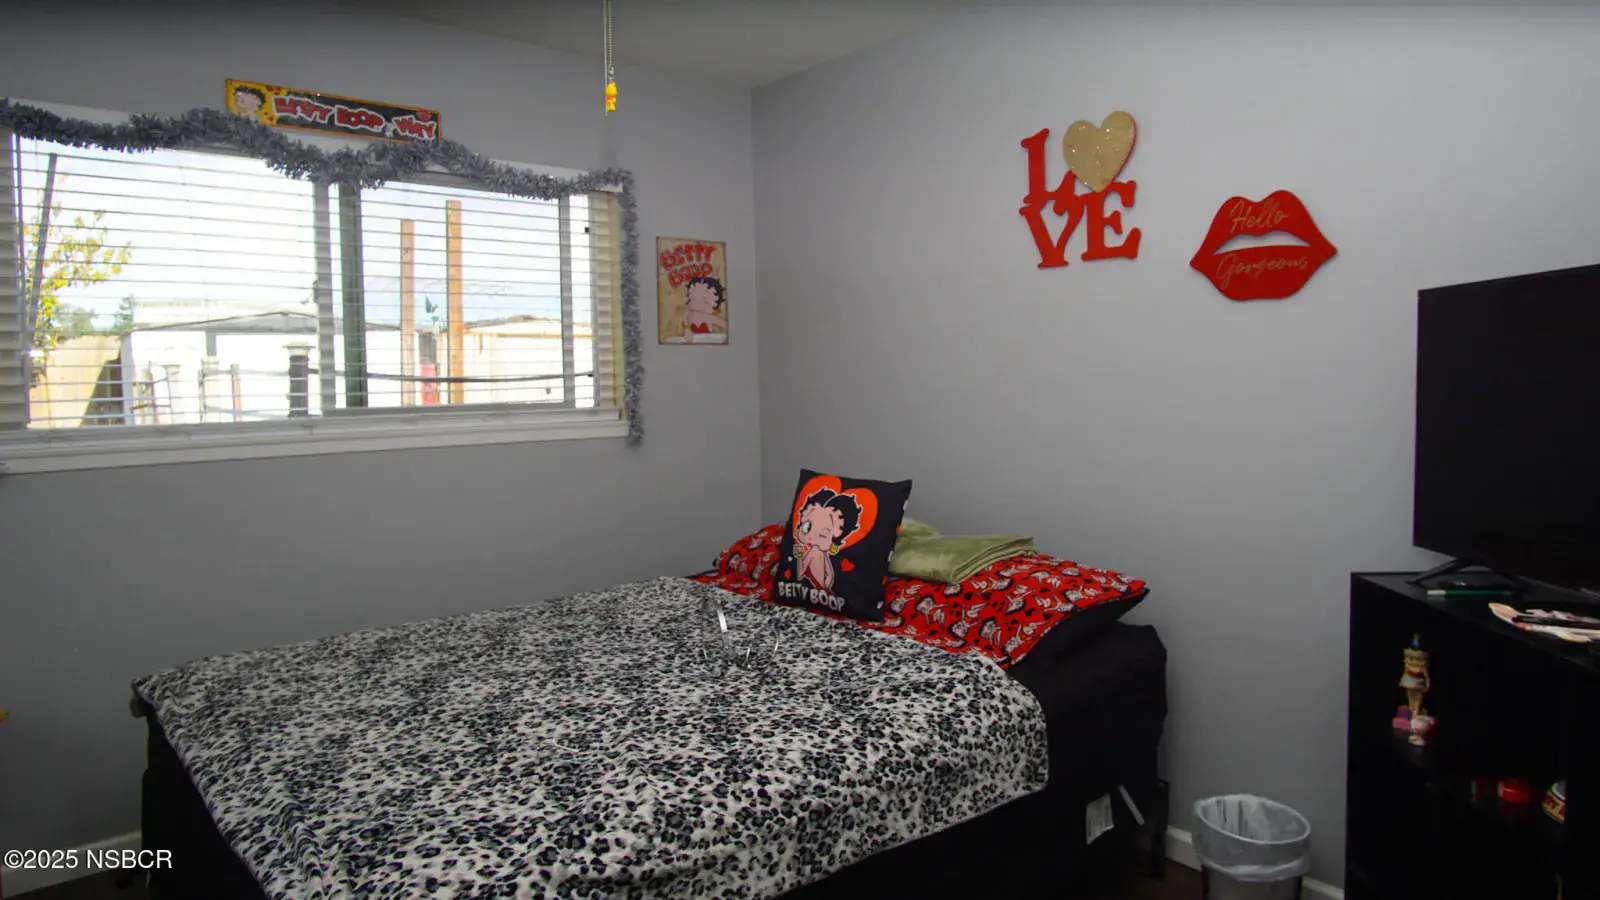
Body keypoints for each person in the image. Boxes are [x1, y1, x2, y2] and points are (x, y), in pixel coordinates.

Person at [793, 487, 862, 590]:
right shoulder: (814, 553)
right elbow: (800, 574)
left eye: (823, 535)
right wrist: (799, 556)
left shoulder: (819, 554)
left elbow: (828, 574)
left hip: (820, 591)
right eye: (807, 527)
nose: (812, 537)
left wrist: (825, 588)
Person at [682, 275, 728, 342]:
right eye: (693, 299)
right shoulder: (689, 314)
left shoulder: (711, 318)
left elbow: (728, 327)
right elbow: (686, 320)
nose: (698, 306)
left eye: (705, 300)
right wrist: (687, 330)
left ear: (716, 303)